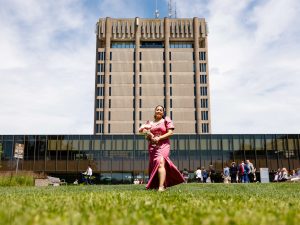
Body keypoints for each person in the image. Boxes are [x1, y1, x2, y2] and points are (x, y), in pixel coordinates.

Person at [140, 105, 184, 191]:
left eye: (161, 110)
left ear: (163, 112)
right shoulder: (149, 123)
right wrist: (149, 136)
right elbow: (146, 137)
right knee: (155, 164)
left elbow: (170, 133)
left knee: (160, 162)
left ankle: (161, 187)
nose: (159, 111)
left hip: (163, 145)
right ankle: (156, 184)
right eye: (157, 109)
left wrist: (159, 138)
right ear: (155, 111)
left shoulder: (166, 120)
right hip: (153, 147)